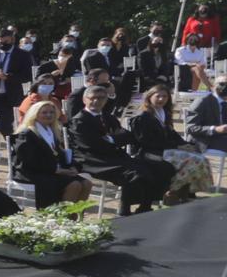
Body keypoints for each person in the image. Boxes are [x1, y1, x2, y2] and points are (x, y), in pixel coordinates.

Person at [72, 84, 172, 215]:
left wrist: (111, 140)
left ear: (106, 100)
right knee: (133, 173)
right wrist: (113, 140)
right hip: (92, 159)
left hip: (113, 155)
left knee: (157, 166)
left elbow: (127, 135)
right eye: (93, 98)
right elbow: (91, 144)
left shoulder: (107, 117)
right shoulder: (79, 120)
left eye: (101, 98)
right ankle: (124, 209)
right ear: (85, 100)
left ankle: (145, 206)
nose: (96, 101)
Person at [11, 100, 92, 206]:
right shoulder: (26, 134)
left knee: (86, 183)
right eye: (44, 112)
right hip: (33, 172)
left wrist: (71, 167)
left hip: (53, 169)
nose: (49, 115)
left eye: (52, 112)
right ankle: (62, 218)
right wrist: (57, 170)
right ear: (35, 114)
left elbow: (59, 154)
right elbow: (29, 161)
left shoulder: (52, 131)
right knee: (74, 185)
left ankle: (76, 218)